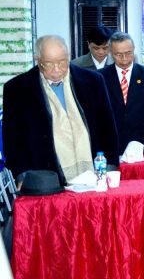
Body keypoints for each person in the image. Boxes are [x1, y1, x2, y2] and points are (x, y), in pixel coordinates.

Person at [2, 35, 119, 184]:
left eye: (62, 62)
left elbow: (108, 128)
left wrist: (110, 166)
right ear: (37, 59)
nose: (56, 70)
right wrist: (22, 176)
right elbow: (13, 139)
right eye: (48, 64)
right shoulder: (17, 89)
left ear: (68, 57)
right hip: (43, 179)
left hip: (96, 175)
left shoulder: (93, 81)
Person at [100, 32, 144, 156]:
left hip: (143, 143)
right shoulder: (100, 76)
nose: (124, 58)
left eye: (128, 53)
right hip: (111, 144)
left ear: (134, 50)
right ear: (111, 53)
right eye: (118, 54)